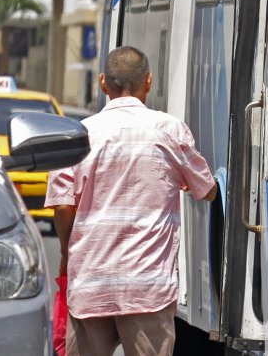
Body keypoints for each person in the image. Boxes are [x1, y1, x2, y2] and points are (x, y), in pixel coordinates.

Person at [46, 46, 217, 356]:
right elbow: (207, 190)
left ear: (102, 83)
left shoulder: (76, 136)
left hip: (90, 281)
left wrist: (65, 255)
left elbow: (61, 207)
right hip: (147, 286)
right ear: (148, 81)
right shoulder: (169, 130)